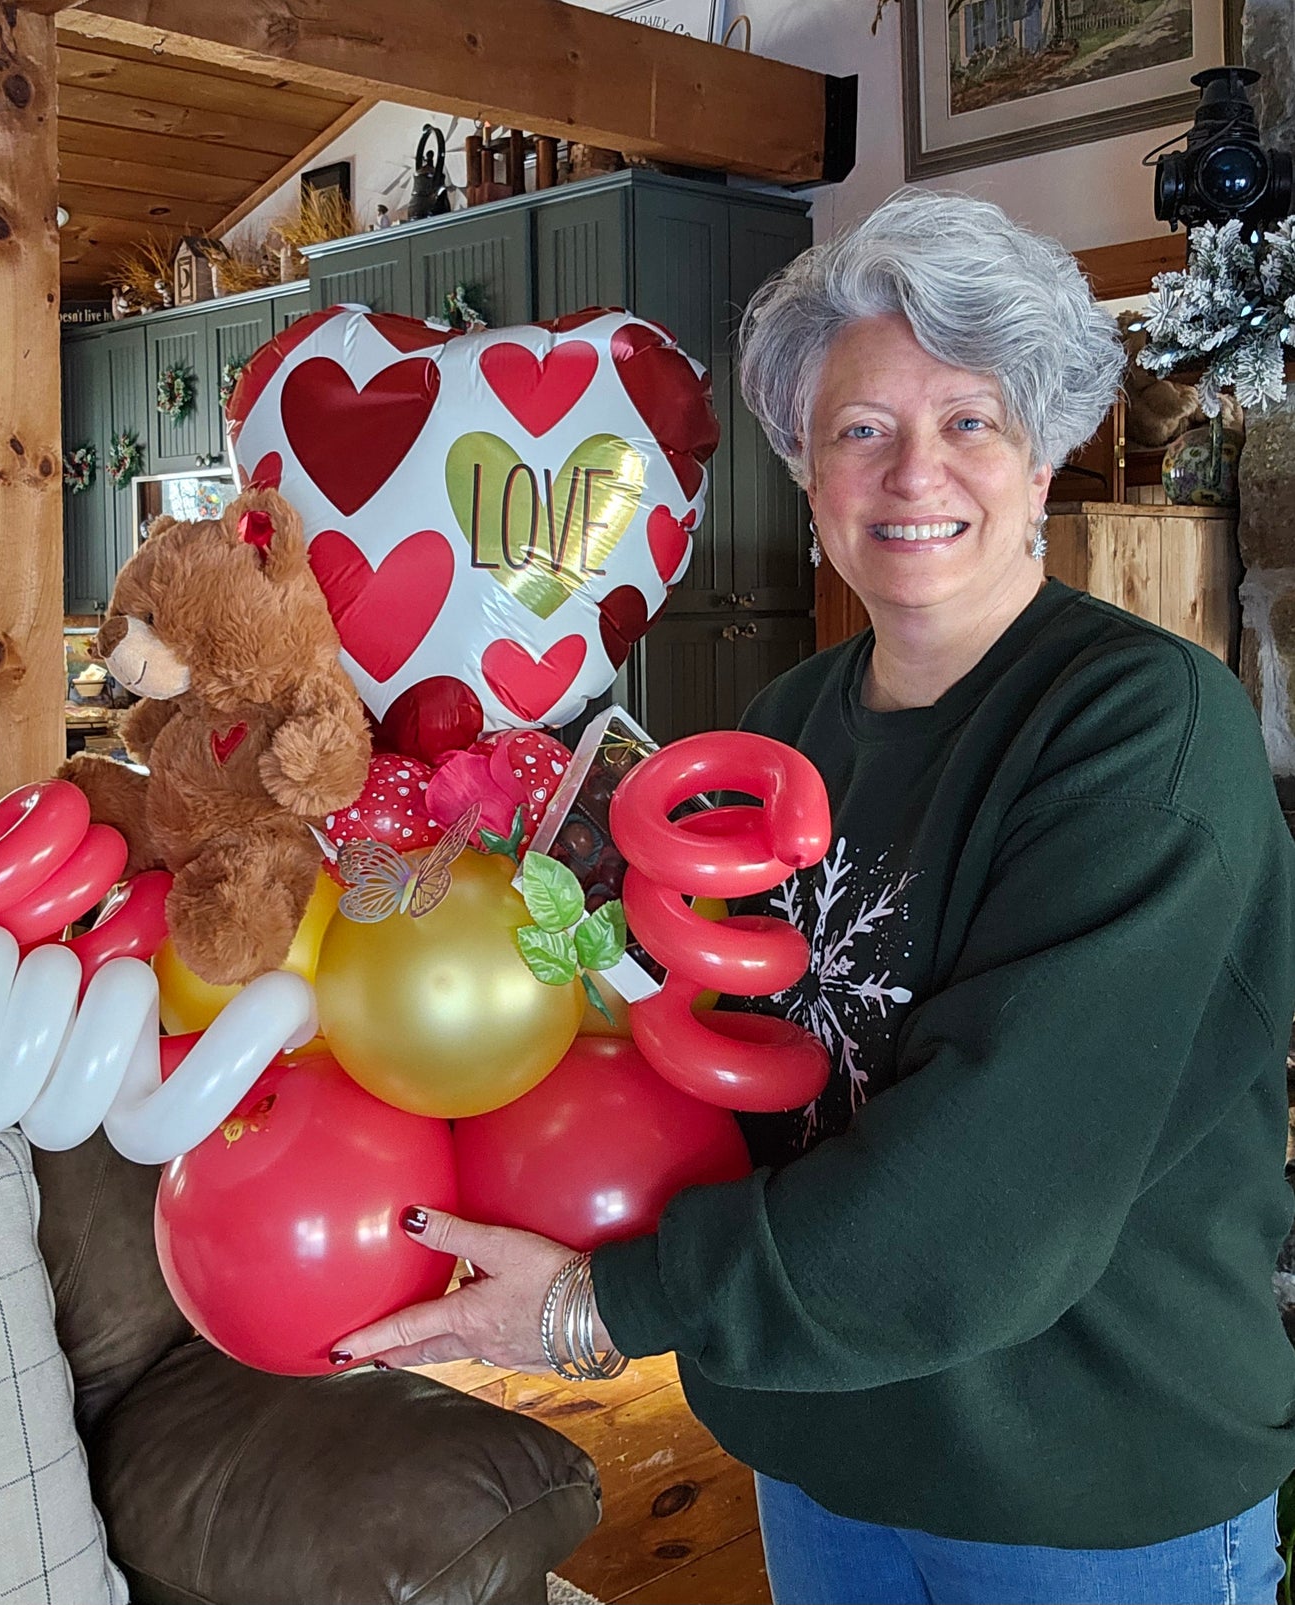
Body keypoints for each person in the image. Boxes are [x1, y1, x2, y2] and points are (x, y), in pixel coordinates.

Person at [333, 190, 1295, 1605]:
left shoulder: (1141, 727)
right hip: (818, 1449)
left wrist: (601, 1307)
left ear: (1043, 465)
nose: (914, 473)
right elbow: (698, 1060)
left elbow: (989, 1197)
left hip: (1079, 1485)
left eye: (969, 421)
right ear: (806, 472)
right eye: (860, 428)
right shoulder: (776, 727)